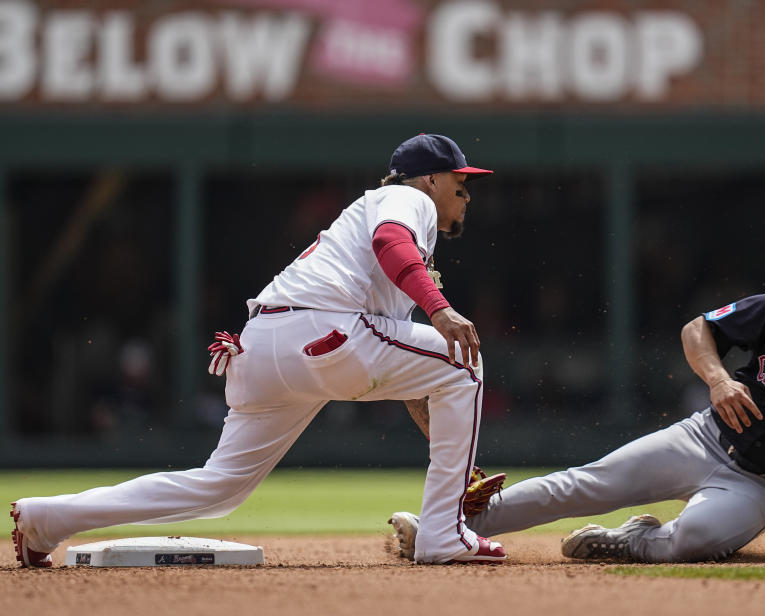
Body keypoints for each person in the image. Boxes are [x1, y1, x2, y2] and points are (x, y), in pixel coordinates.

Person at [11, 133, 507, 567]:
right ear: (429, 180)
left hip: (264, 346)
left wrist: (454, 465)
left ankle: (48, 519)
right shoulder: (406, 199)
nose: (466, 194)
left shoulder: (382, 244)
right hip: (325, 330)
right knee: (465, 357)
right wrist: (440, 310)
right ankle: (442, 534)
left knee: (220, 487)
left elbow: (407, 376)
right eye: (458, 181)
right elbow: (390, 240)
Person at [389, 231, 765, 563]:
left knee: (695, 539)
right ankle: (450, 531)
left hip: (761, 484)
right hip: (703, 437)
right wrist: (719, 379)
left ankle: (634, 542)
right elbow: (696, 331)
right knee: (585, 482)